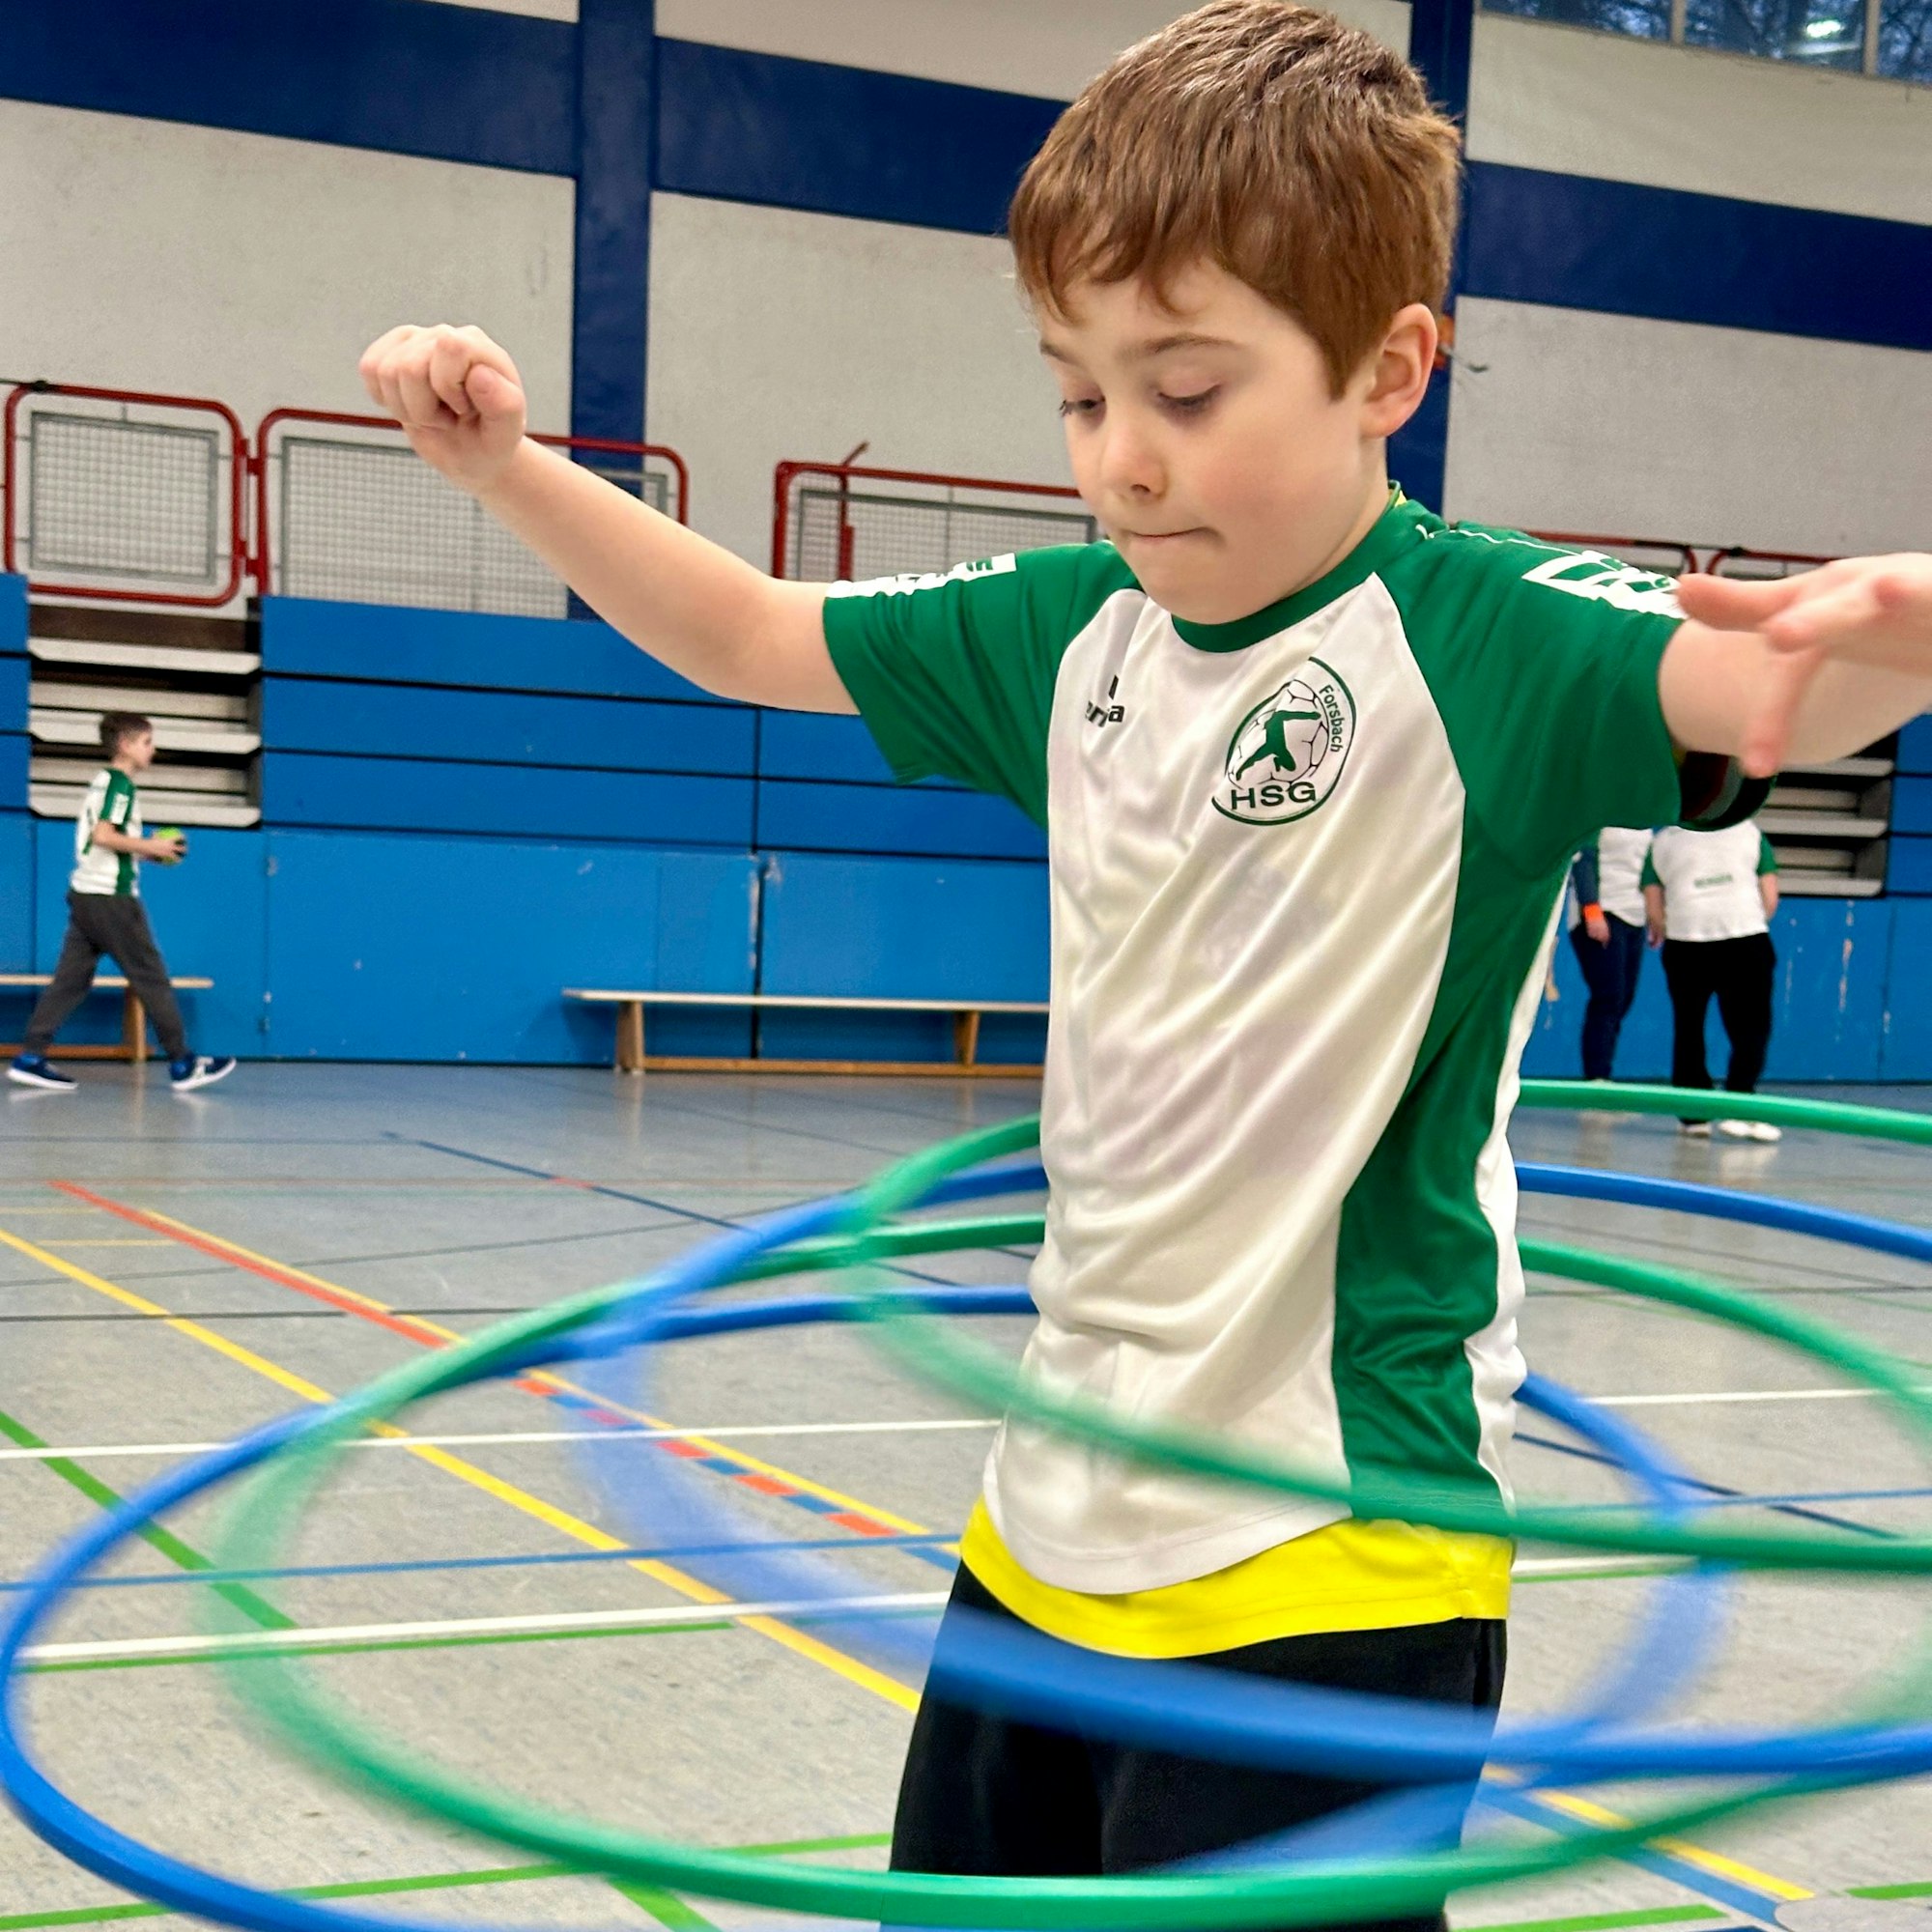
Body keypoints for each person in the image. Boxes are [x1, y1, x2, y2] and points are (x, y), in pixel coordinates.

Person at [355, 3, 1932, 1918]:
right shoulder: (1073, 632)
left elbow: (1771, 682)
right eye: (1078, 395)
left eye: (1185, 391)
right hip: (1040, 1534)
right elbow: (756, 630)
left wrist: (1894, 625)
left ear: (1388, 369)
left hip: (1330, 1549)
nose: (1121, 461)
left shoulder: (1493, 639)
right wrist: (509, 468)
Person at [9, 712, 236, 1094]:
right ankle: (182, 1062)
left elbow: (105, 841)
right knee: (151, 978)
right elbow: (103, 835)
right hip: (112, 900)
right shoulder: (121, 786)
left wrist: (144, 854)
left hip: (85, 896)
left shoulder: (102, 782)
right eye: (147, 742)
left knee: (70, 981)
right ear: (127, 745)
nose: (153, 749)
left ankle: (30, 1056)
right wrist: (153, 845)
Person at [1643, 819, 1781, 1143]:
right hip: (1745, 937)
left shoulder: (1663, 840)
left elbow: (1653, 904)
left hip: (1686, 942)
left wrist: (1670, 926)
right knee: (1751, 1029)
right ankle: (1739, 1103)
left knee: (1689, 1028)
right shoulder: (1750, 832)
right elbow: (1770, 896)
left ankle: (1694, 1116)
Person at [1568, 828, 1652, 1081]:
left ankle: (1601, 1076)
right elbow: (1583, 859)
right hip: (1602, 913)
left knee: (1623, 999)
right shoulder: (1602, 809)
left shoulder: (1646, 814)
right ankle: (1597, 1081)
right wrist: (1591, 911)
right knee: (1608, 998)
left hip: (1634, 916)